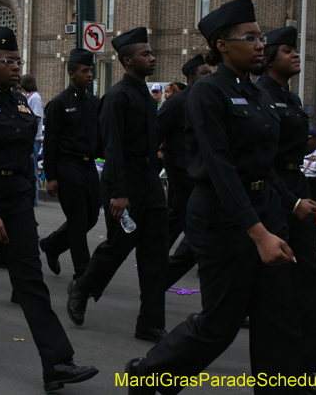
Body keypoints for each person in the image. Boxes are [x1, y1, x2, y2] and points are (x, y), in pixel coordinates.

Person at [125, 0, 305, 395]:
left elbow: (264, 164)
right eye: (250, 38)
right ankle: (149, 374)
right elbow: (221, 168)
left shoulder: (258, 94)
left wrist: (289, 204)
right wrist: (257, 233)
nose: (260, 45)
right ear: (222, 45)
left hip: (265, 212)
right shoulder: (207, 92)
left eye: (261, 37)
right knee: (220, 324)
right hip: (223, 220)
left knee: (278, 319)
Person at [0, 27, 98, 391]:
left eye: (18, 61)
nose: (15, 67)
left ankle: (57, 362)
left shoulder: (20, 103)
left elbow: (26, 157)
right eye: (8, 61)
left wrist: (26, 198)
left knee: (31, 282)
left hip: (16, 202)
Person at [66, 27, 168, 344]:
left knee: (155, 255)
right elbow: (112, 149)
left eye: (151, 53)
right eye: (145, 54)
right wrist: (120, 193)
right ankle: (82, 287)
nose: (152, 58)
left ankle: (150, 323)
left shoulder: (146, 97)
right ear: (127, 60)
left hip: (149, 183)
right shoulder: (117, 97)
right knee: (119, 247)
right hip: (124, 184)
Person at [257, 26, 316, 395]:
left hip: (297, 187)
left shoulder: (292, 98)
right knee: (277, 295)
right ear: (270, 57)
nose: (295, 55)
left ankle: (311, 373)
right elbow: (261, 160)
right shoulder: (259, 95)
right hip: (274, 194)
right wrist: (291, 200)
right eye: (287, 50)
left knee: (308, 284)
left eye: (295, 49)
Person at [39, 49, 101, 279]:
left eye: (91, 70)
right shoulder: (59, 104)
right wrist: (51, 176)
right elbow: (50, 143)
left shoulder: (94, 102)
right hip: (67, 166)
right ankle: (82, 274)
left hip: (88, 166)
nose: (90, 74)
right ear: (72, 74)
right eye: (85, 71)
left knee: (91, 217)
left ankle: (52, 245)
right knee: (77, 221)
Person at [157, 54, 213, 291]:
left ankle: (158, 259)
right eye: (204, 73)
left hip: (201, 171)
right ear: (191, 78)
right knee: (198, 224)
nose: (209, 77)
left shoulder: (209, 99)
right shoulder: (179, 101)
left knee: (178, 217)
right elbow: (158, 130)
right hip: (182, 171)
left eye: (210, 73)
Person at [20, 74, 44, 206]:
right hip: (30, 137)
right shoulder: (29, 97)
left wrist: (32, 133)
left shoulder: (35, 98)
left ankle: (34, 197)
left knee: (33, 167)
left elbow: (36, 118)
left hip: (33, 138)